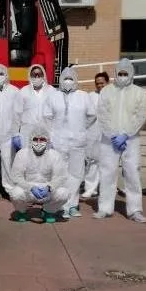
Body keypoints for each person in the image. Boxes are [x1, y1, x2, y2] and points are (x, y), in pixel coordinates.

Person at [95, 58, 146, 223]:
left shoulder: (139, 92)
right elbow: (102, 114)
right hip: (109, 140)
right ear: (115, 74)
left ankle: (135, 210)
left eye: (126, 73)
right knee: (107, 173)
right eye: (120, 73)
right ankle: (105, 208)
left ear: (131, 74)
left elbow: (141, 115)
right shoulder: (107, 91)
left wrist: (126, 134)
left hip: (130, 140)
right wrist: (112, 135)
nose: (123, 76)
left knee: (132, 173)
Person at [43, 66, 96, 218]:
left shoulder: (83, 96)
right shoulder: (54, 96)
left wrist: (81, 129)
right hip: (58, 142)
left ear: (75, 80)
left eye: (70, 78)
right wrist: (51, 135)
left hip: (78, 142)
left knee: (76, 174)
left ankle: (73, 205)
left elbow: (92, 115)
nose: (67, 81)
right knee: (61, 174)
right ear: (60, 80)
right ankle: (62, 206)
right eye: (65, 78)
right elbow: (46, 116)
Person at [1, 124, 70, 223]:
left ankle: (48, 211)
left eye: (42, 140)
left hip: (47, 190)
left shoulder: (54, 155)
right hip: (28, 189)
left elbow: (60, 177)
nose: (38, 143)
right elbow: (16, 176)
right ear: (30, 140)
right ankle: (22, 212)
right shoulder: (22, 154)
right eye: (35, 139)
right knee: (15, 193)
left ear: (47, 141)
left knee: (64, 193)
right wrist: (30, 188)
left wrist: (50, 187)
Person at [0, 63, 23, 205]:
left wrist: (16, 133)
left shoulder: (14, 91)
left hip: (8, 134)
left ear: (7, 75)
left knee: (8, 162)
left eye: (2, 74)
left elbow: (19, 113)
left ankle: (10, 189)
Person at [82, 72, 109, 198]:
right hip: (92, 133)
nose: (99, 86)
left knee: (107, 162)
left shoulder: (113, 96)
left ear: (107, 83)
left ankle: (106, 188)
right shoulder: (90, 96)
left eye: (102, 83)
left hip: (108, 133)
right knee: (91, 161)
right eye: (97, 83)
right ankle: (90, 188)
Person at [19, 64, 56, 146]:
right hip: (27, 133)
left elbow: (57, 114)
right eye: (34, 75)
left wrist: (54, 135)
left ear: (43, 75)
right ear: (30, 76)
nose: (37, 77)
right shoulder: (23, 91)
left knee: (45, 156)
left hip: (46, 132)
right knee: (27, 156)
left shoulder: (52, 91)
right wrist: (15, 134)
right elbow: (17, 113)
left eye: (39, 74)